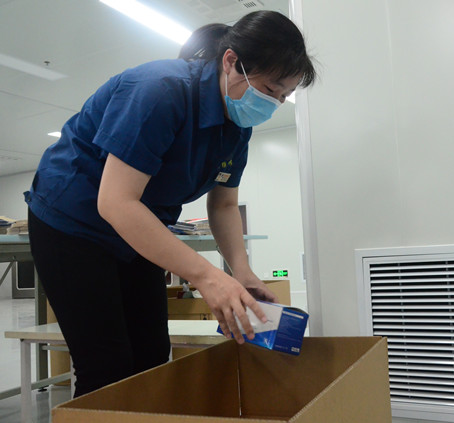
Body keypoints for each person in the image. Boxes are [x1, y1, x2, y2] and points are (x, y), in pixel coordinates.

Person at [24, 10, 316, 397]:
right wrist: (207, 276)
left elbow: (224, 205)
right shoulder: (160, 90)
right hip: (73, 222)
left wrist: (242, 271)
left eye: (282, 96)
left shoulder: (237, 128)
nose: (273, 103)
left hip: (137, 225)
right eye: (269, 88)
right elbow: (115, 201)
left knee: (151, 354)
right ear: (231, 61)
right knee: (106, 365)